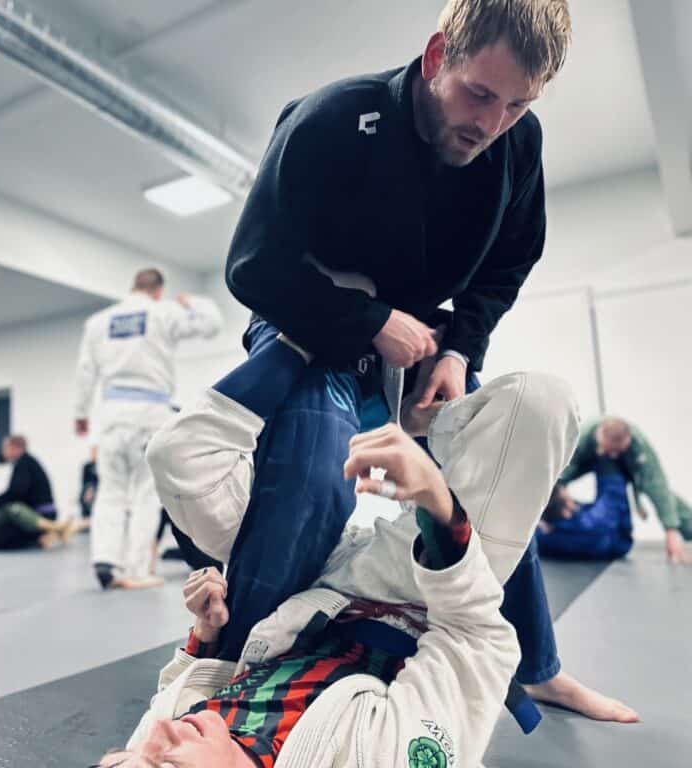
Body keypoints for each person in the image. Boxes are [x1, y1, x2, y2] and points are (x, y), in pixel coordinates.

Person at [219, 0, 630, 723]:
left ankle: (537, 669)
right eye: (479, 94)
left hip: (420, 338)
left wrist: (461, 348)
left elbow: (508, 263)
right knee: (316, 467)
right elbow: (254, 265)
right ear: (439, 55)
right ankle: (227, 672)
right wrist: (370, 323)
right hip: (308, 323)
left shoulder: (515, 143)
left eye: (516, 104)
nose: (491, 122)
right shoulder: (332, 120)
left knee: (494, 463)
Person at [96, 344, 602, 767]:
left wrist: (205, 637)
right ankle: (425, 418)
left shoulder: (165, 735)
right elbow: (475, 639)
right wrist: (438, 505)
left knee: (177, 457)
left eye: (123, 756)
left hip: (305, 587)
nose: (157, 734)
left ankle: (304, 337)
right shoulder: (381, 757)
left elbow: (178, 689)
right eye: (163, 766)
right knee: (540, 401)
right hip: (417, 595)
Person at [74, 268, 222, 590]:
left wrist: (80, 412)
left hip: (111, 415)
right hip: (150, 413)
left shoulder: (99, 322)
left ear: (133, 286)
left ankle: (106, 561)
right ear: (158, 290)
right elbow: (212, 324)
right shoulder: (163, 312)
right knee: (145, 493)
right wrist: (191, 301)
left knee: (110, 491)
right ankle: (137, 569)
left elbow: (86, 371)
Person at [539, 417, 692, 562]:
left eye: (618, 451)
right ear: (599, 437)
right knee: (562, 491)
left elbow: (657, 486)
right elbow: (556, 477)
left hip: (603, 537)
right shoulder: (580, 441)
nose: (613, 456)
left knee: (663, 497)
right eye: (609, 450)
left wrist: (671, 529)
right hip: (612, 540)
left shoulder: (637, 446)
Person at [0, 435, 58, 520]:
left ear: (15, 448)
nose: (3, 451)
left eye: (5, 448)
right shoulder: (28, 462)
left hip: (41, 514)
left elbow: (16, 492)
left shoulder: (23, 464)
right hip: (45, 512)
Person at [78, 446, 99, 532]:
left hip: (98, 490)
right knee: (87, 491)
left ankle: (90, 520)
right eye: (92, 452)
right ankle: (87, 518)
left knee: (91, 490)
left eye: (96, 452)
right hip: (88, 489)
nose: (94, 454)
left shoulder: (102, 465)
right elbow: (84, 481)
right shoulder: (87, 466)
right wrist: (88, 490)